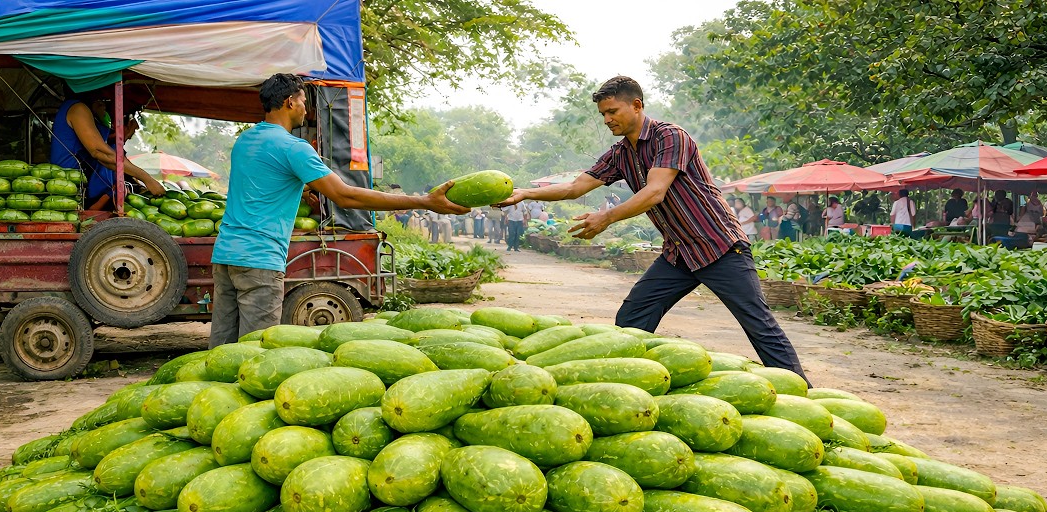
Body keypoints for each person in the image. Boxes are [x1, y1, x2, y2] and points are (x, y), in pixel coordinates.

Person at [496, 75, 807, 378]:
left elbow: (655, 191)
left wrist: (607, 216)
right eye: (603, 114)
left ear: (636, 105)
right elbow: (575, 187)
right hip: (679, 254)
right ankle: (631, 379)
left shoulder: (671, 137)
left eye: (612, 111)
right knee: (632, 318)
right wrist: (525, 192)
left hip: (720, 245)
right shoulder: (620, 154)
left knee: (758, 324)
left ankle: (801, 392)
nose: (607, 120)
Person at [209, 73, 467, 347]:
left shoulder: (246, 141)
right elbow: (346, 196)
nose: (306, 109)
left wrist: (304, 189)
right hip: (259, 259)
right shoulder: (294, 148)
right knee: (253, 351)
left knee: (222, 349)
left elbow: (262, 181)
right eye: (303, 101)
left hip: (225, 255)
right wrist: (424, 201)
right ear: (289, 103)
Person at [50, 88, 165, 207]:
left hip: (78, 190)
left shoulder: (85, 112)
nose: (104, 104)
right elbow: (100, 153)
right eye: (101, 100)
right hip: (67, 190)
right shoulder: (78, 109)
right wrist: (147, 179)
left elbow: (108, 157)